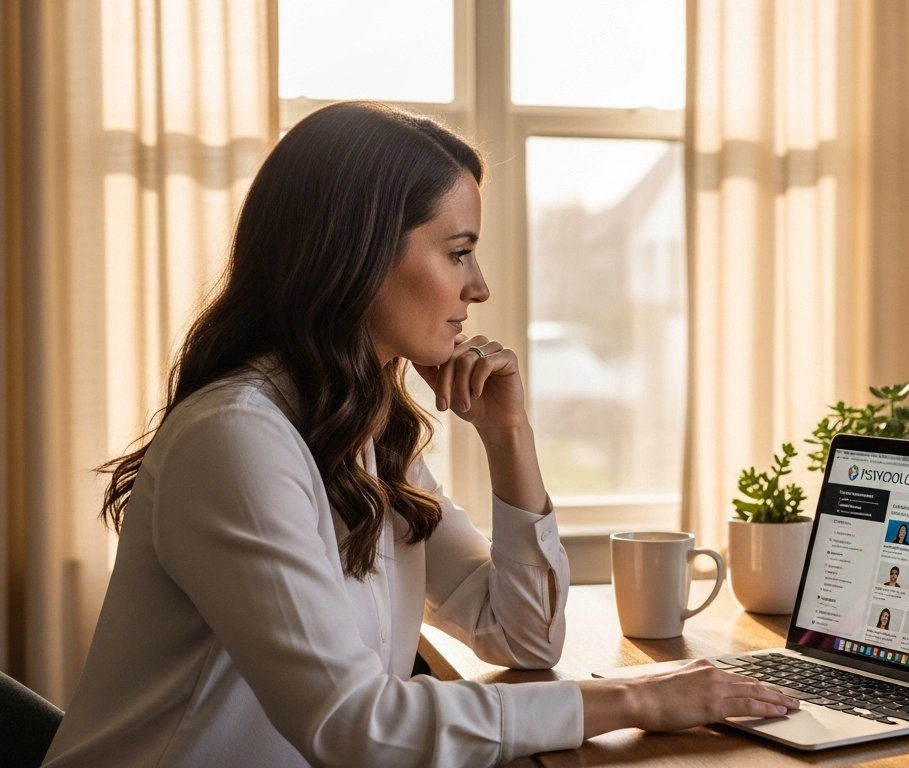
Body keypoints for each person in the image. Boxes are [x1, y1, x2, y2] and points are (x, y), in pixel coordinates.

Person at [41, 102, 797, 768]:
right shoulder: (237, 439)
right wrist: (638, 702)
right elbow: (352, 725)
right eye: (459, 251)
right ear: (359, 253)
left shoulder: (362, 432)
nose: (480, 287)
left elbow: (523, 636)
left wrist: (509, 436)